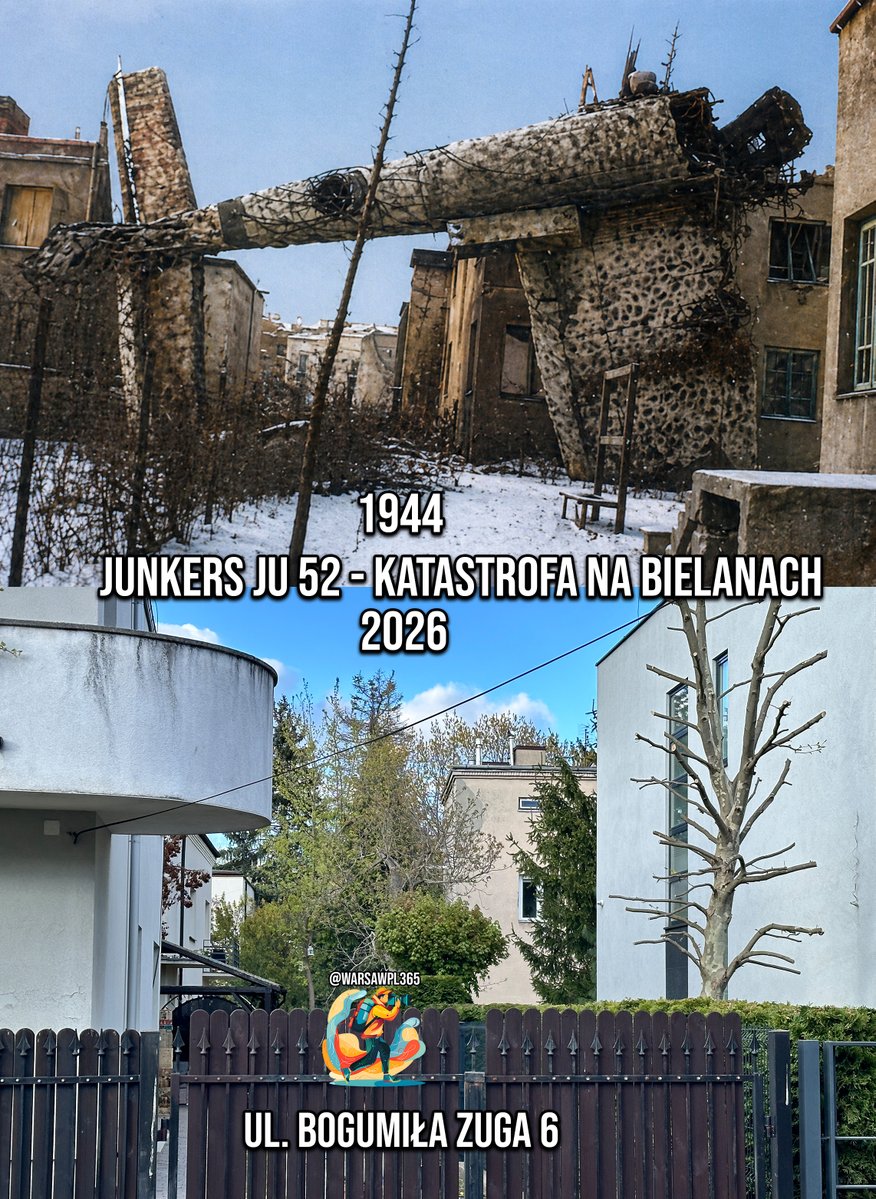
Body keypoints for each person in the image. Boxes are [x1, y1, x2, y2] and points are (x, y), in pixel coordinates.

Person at [343, 987, 403, 1081]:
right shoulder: (377, 1008)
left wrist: (393, 1006)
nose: (389, 998)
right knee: (370, 1059)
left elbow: (387, 1012)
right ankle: (348, 1069)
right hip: (371, 1036)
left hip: (376, 1036)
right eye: (388, 996)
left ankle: (386, 1075)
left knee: (385, 1050)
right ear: (381, 997)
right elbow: (389, 1016)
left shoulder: (380, 1007)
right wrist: (397, 1007)